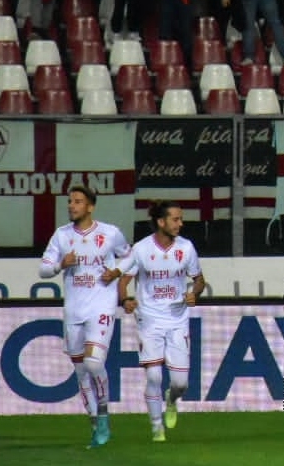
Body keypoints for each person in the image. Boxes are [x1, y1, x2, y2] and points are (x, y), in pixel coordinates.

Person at [38, 186, 132, 449]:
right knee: (81, 372)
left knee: (92, 364)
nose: (72, 206)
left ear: (90, 207)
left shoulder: (109, 233)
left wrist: (115, 271)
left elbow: (131, 256)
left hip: (101, 308)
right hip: (74, 311)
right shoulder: (62, 236)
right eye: (70, 201)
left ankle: (103, 415)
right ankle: (94, 423)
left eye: (78, 202)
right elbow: (43, 269)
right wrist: (60, 265)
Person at [116, 202, 205, 443]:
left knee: (180, 383)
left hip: (177, 320)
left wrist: (193, 293)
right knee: (154, 376)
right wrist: (125, 300)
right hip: (150, 320)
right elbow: (123, 281)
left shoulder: (186, 248)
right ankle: (157, 428)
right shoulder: (142, 249)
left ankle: (172, 399)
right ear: (161, 222)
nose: (181, 224)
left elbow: (199, 280)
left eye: (180, 219)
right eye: (176, 219)